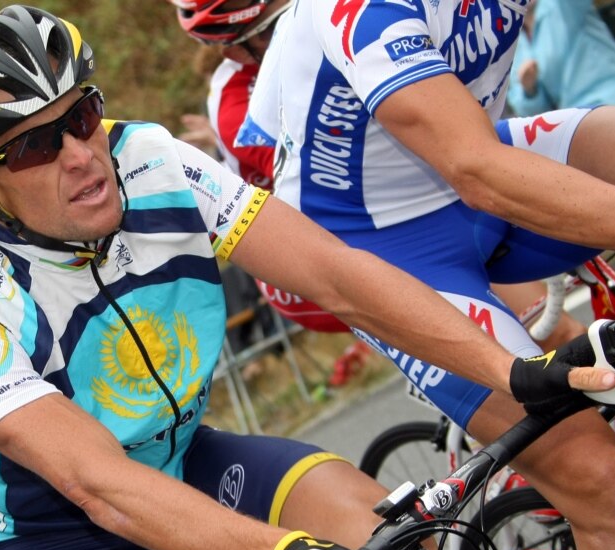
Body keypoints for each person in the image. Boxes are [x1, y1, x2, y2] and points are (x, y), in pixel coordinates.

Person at [0, 6, 615, 550]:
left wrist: (509, 370)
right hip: (55, 533)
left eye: (82, 116)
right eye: (35, 147)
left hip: (181, 456)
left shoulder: (149, 161)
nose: (82, 155)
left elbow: (337, 275)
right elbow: (98, 485)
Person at [241, 0, 615, 550]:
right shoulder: (358, 9)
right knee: (598, 479)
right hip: (384, 240)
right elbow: (477, 170)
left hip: (474, 159)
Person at [173, 0, 587, 353]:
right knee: (554, 338)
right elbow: (339, 180)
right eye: (269, 31)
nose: (288, 30)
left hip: (391, 200)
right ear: (234, 49)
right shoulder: (237, 106)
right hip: (321, 250)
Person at [507, 0, 615, 117]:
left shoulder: (561, 5)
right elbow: (531, 114)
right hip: (582, 122)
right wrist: (529, 89)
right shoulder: (509, 43)